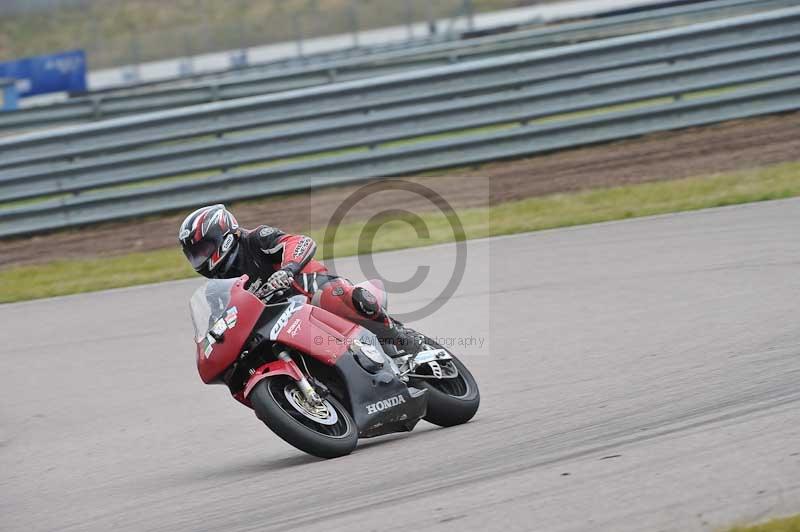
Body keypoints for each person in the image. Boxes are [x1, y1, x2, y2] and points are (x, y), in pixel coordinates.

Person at [178, 204, 423, 355]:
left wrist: (288, 269)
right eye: (195, 255)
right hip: (283, 325)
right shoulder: (216, 290)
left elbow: (300, 242)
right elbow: (219, 326)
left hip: (309, 293)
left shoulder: (256, 239)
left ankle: (403, 341)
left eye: (203, 249)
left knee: (329, 296)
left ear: (223, 235)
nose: (201, 258)